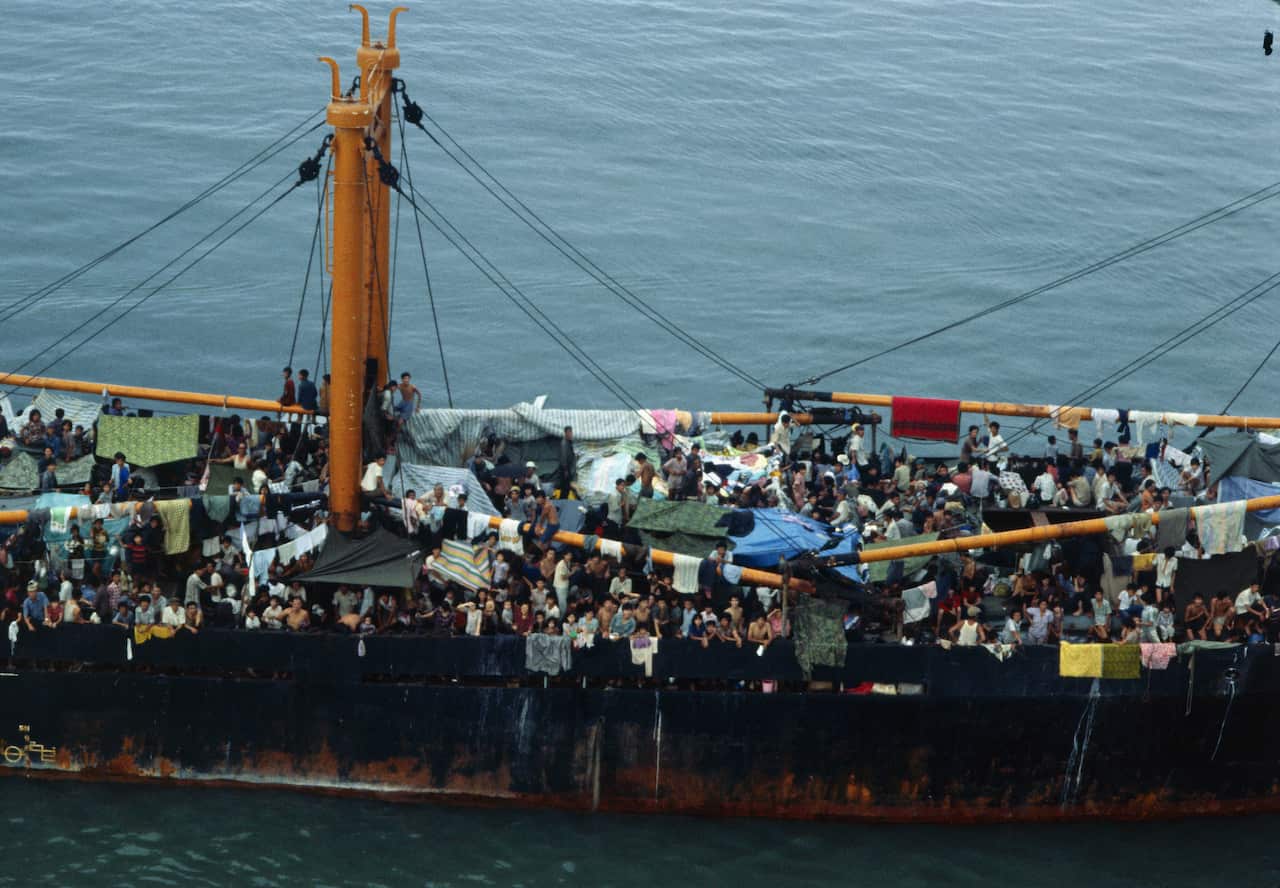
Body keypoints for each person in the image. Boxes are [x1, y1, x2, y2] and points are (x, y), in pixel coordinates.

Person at [555, 426, 577, 499]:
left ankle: (564, 500)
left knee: (566, 488)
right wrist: (565, 470)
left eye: (571, 432)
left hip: (568, 469)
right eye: (568, 432)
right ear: (565, 433)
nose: (570, 434)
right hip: (565, 470)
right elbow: (563, 457)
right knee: (565, 488)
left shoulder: (569, 442)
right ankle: (562, 501)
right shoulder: (564, 443)